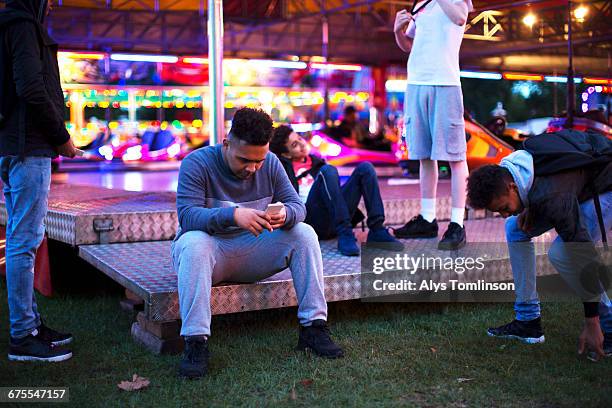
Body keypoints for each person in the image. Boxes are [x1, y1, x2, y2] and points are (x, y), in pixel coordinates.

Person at [172, 108, 344, 379]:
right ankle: (195, 342)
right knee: (194, 243)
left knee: (304, 233)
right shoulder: (197, 163)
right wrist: (233, 214)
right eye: (244, 160)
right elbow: (187, 216)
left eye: (258, 161)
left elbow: (298, 206)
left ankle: (314, 327)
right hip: (211, 254)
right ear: (227, 144)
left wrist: (285, 214)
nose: (252, 168)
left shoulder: (272, 163)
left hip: (253, 252)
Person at [466, 130, 612, 360]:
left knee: (563, 252)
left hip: (605, 186)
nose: (504, 214)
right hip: (575, 185)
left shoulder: (553, 197)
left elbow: (581, 253)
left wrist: (591, 321)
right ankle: (528, 321)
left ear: (513, 187)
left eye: (504, 207)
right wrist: (526, 207)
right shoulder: (515, 164)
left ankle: (608, 324)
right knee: (514, 228)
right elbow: (540, 180)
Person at [0, 0, 77, 363]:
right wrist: (61, 136)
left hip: (13, 143)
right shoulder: (23, 25)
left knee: (21, 235)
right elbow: (32, 87)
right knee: (24, 239)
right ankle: (22, 336)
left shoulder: (11, 23)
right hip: (28, 145)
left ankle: (29, 324)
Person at [392, 0, 474, 250]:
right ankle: (428, 219)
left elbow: (460, 17)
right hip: (417, 82)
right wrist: (397, 30)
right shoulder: (421, 5)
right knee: (424, 155)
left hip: (445, 83)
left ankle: (457, 224)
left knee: (455, 156)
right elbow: (409, 45)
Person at [269, 125, 402, 256]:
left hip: (335, 214)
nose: (302, 144)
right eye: (294, 145)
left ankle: (377, 229)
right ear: (285, 154)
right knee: (328, 170)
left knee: (365, 168)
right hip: (313, 220)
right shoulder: (282, 171)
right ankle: (345, 232)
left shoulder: (318, 163)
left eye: (300, 139)